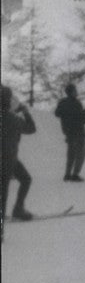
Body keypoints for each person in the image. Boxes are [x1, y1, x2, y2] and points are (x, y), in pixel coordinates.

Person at [1, 84, 36, 225]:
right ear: (8, 100)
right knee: (25, 180)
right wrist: (25, 112)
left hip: (9, 159)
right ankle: (18, 209)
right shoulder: (14, 120)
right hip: (9, 160)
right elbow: (31, 128)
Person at [55, 83, 85, 182]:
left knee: (71, 153)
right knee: (81, 154)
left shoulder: (62, 103)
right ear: (72, 92)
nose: (77, 91)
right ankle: (75, 174)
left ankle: (67, 174)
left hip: (68, 132)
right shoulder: (76, 103)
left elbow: (57, 113)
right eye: (75, 90)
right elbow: (80, 120)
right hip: (78, 132)